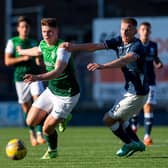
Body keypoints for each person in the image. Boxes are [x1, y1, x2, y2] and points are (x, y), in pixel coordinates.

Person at [61, 17, 148, 157]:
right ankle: (137, 143)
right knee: (120, 120)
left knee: (107, 119)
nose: (124, 32)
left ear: (135, 31)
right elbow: (95, 46)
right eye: (122, 29)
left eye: (128, 29)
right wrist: (74, 47)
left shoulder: (137, 46)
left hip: (137, 93)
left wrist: (103, 66)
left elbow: (125, 60)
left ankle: (130, 143)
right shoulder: (118, 41)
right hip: (129, 89)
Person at [17, 18, 80, 159]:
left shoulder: (62, 48)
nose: (46, 34)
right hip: (52, 91)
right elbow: (37, 50)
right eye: (44, 31)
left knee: (46, 128)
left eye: (49, 31)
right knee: (30, 121)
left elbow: (57, 72)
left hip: (67, 95)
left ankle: (53, 151)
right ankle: (62, 117)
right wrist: (22, 51)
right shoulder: (43, 44)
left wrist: (37, 77)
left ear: (57, 31)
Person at [4, 16, 46, 147]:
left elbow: (40, 63)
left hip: (34, 76)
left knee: (38, 101)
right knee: (26, 108)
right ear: (18, 28)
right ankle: (31, 132)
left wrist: (39, 60)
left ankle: (39, 133)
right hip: (20, 79)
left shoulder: (34, 43)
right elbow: (7, 61)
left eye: (27, 27)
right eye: (22, 27)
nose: (25, 29)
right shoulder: (13, 42)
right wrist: (23, 58)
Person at [130, 22, 163, 146]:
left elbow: (155, 58)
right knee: (135, 108)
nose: (145, 31)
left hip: (151, 82)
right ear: (139, 31)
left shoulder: (153, 45)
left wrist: (158, 63)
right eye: (143, 29)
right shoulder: (135, 45)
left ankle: (147, 136)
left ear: (150, 31)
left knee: (148, 107)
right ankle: (134, 125)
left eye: (147, 29)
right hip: (137, 81)